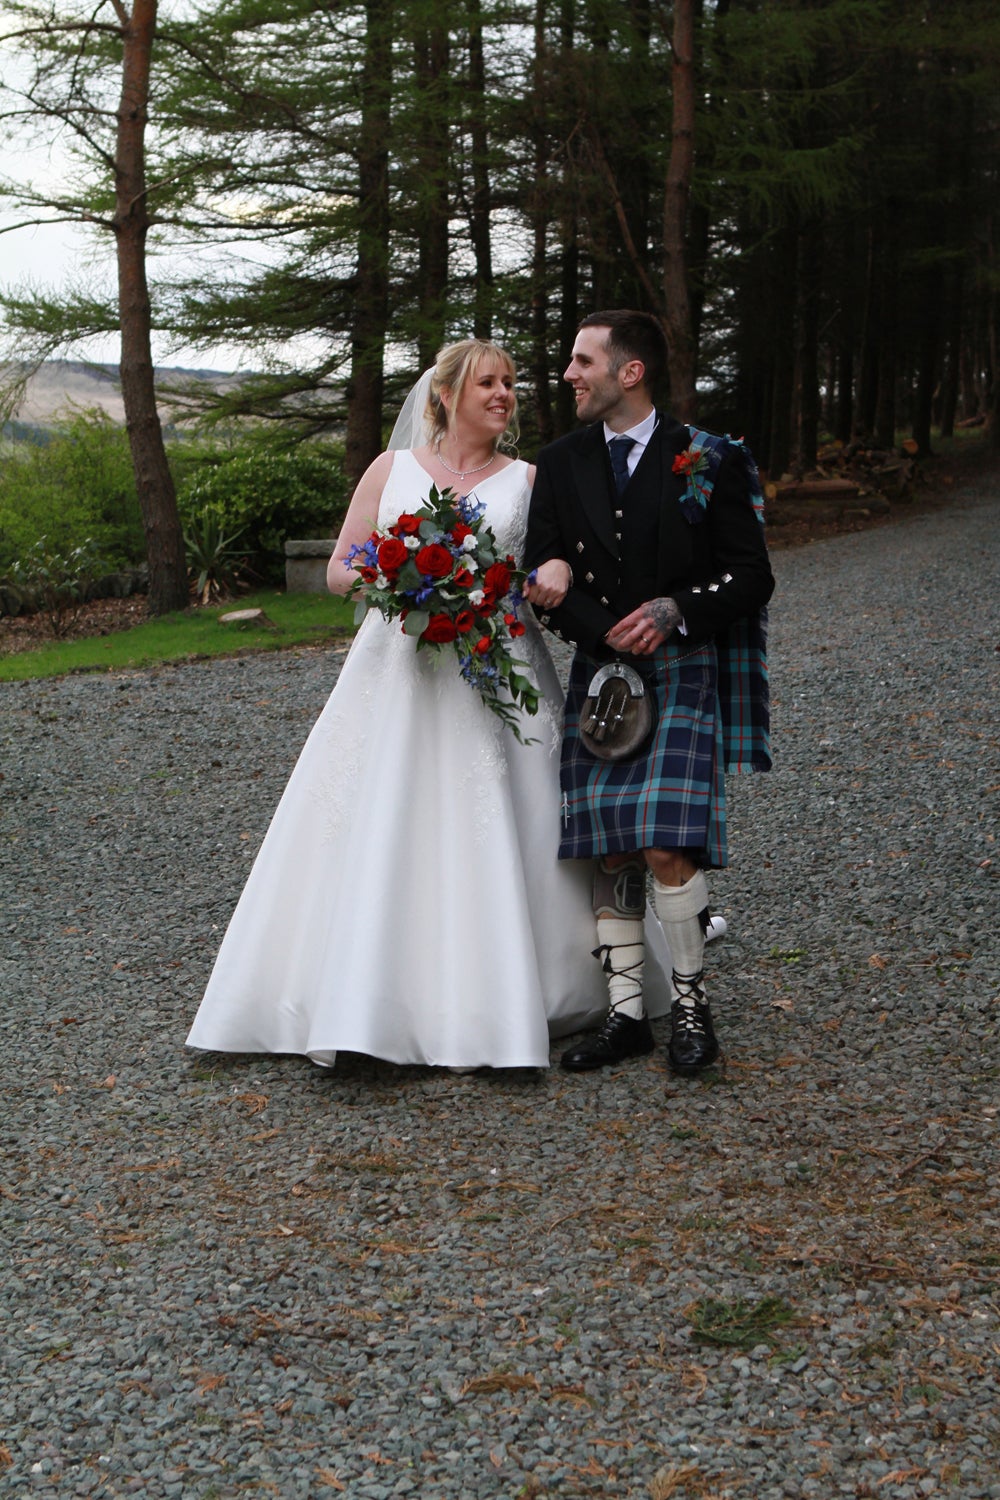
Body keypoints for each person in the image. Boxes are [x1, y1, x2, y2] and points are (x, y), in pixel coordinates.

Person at [186, 338, 673, 1070]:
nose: (504, 394)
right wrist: (400, 572)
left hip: (499, 671)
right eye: (488, 383)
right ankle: (362, 1001)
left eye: (510, 383)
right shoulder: (394, 470)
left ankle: (532, 992)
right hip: (400, 672)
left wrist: (553, 566)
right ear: (444, 395)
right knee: (380, 821)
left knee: (523, 821)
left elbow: (557, 556)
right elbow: (338, 568)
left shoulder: (532, 479)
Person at [525, 310, 774, 1075]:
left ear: (628, 372)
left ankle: (692, 1009)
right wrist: (603, 630)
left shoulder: (708, 456)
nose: (569, 374)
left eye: (582, 361)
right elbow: (543, 569)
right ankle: (627, 1017)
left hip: (680, 666)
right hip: (603, 672)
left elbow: (752, 572)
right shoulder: (561, 461)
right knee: (612, 849)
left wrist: (674, 612)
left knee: (667, 843)